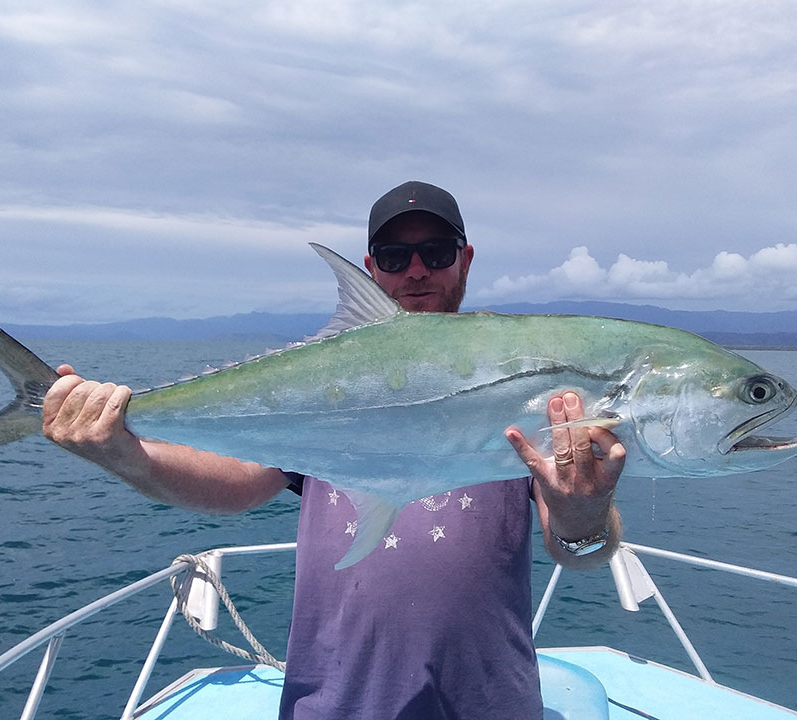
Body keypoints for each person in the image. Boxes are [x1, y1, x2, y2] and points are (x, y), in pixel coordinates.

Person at [43, 181, 625, 720]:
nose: (416, 271)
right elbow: (235, 481)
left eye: (437, 252)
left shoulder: (525, 380)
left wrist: (583, 508)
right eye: (395, 257)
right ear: (371, 269)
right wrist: (123, 451)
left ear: (465, 259)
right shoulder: (321, 383)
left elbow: (579, 549)